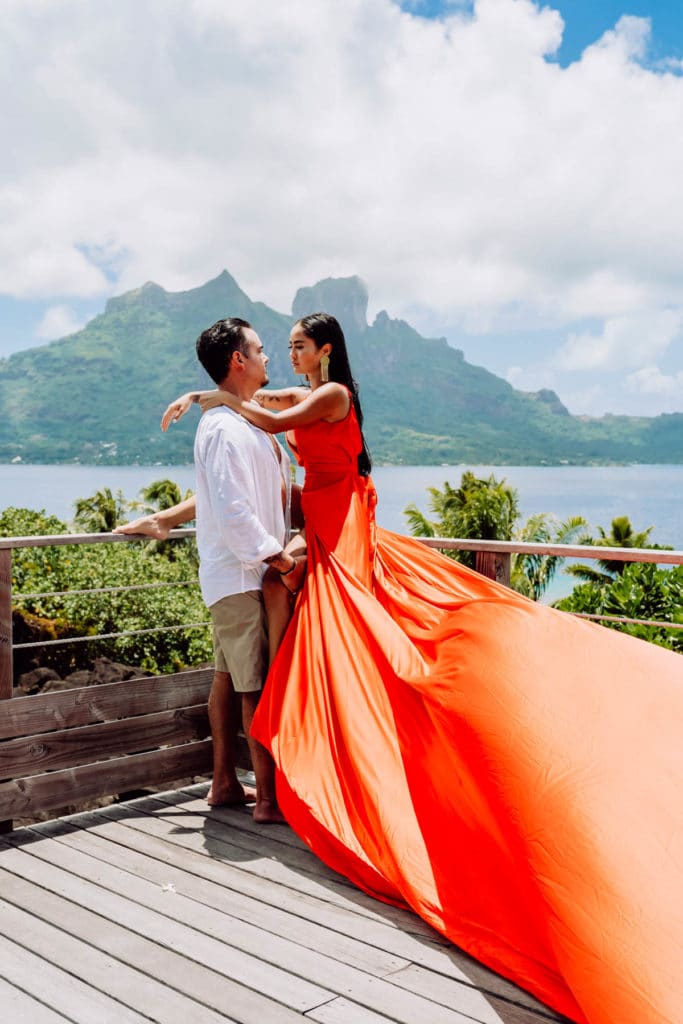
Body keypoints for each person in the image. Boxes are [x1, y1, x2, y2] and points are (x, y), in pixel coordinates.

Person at [165, 313, 683, 1024]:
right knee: (314, 657)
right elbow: (261, 417)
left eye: (294, 346)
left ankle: (307, 774)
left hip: (334, 527)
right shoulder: (293, 393)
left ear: (323, 351)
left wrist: (207, 398)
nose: (282, 355)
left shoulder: (333, 394)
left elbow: (266, 416)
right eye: (272, 346)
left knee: (359, 648)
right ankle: (286, 778)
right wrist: (197, 456)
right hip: (307, 529)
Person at [118, 317, 300, 824]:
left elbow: (221, 498)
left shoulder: (241, 419)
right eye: (261, 350)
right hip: (243, 574)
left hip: (241, 571)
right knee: (254, 685)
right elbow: (235, 511)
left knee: (227, 676)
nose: (269, 358)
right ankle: (267, 798)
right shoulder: (225, 430)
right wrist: (281, 560)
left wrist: (166, 517)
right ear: (239, 360)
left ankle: (224, 783)